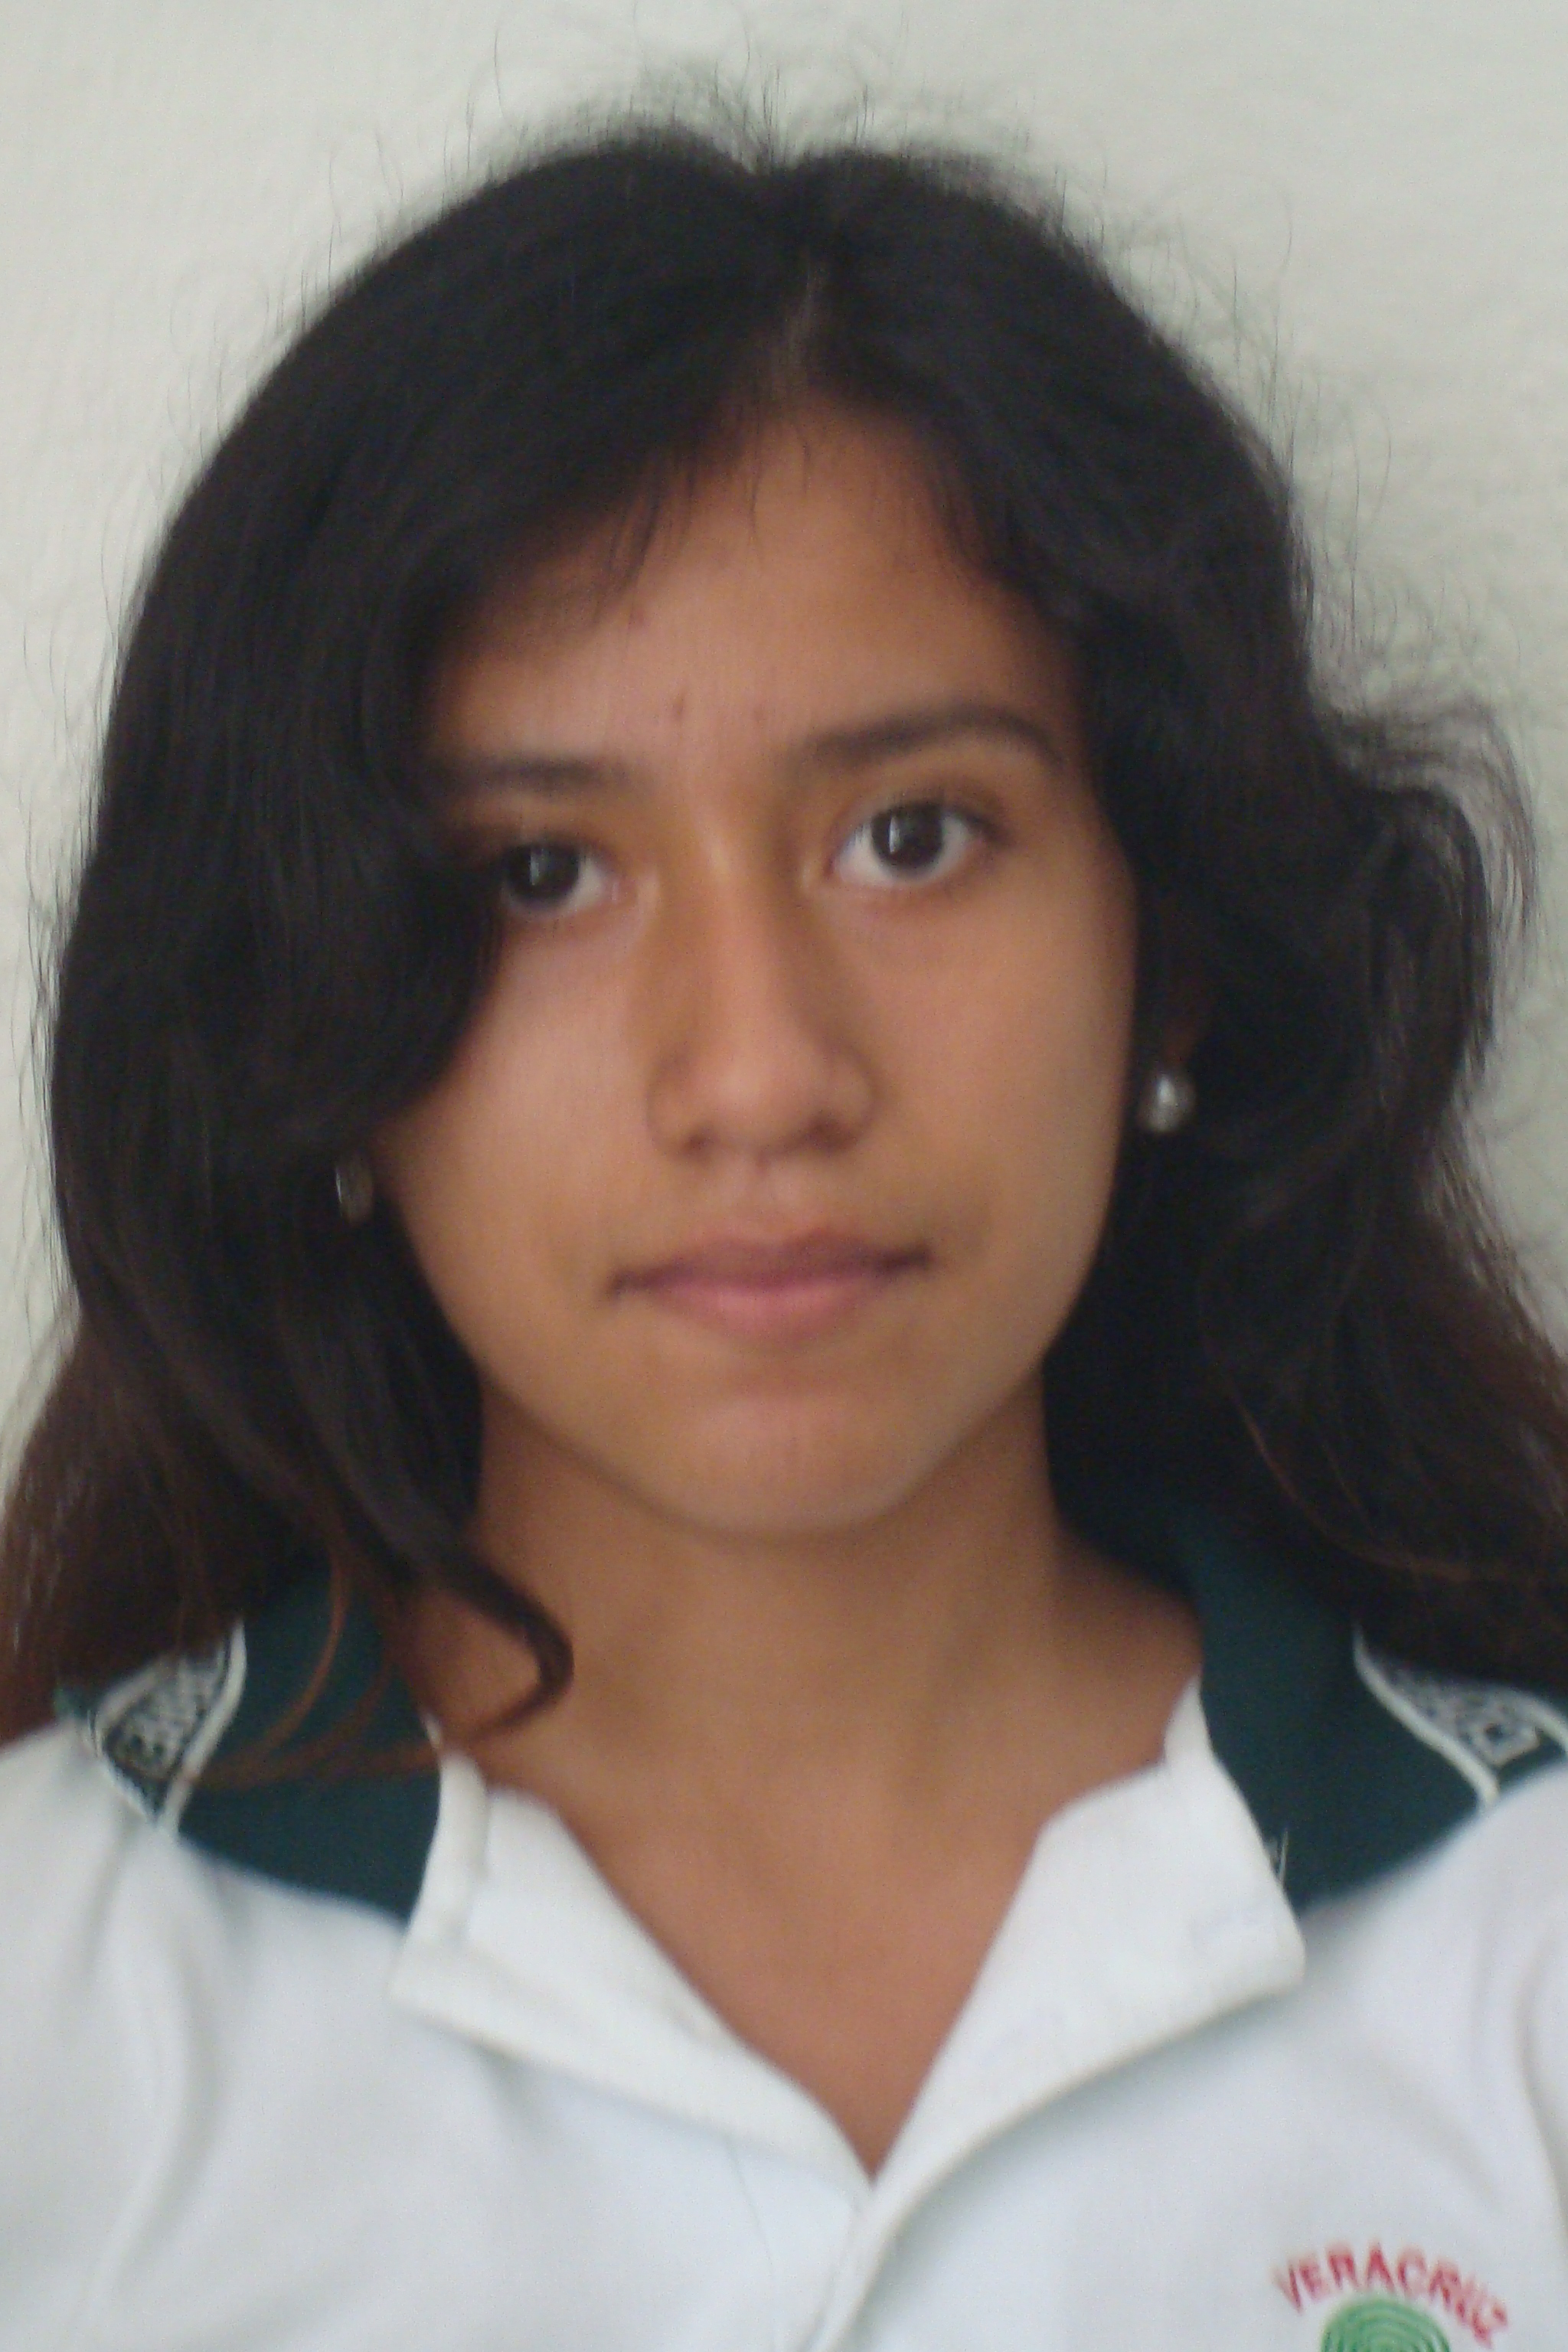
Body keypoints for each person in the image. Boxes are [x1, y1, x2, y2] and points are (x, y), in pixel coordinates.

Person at [2, 116, 1567, 2352]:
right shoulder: (52, 2014)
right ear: (309, 1026)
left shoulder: (1520, 1949)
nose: (757, 1076)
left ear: (1176, 957)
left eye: (914, 837)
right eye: (540, 875)